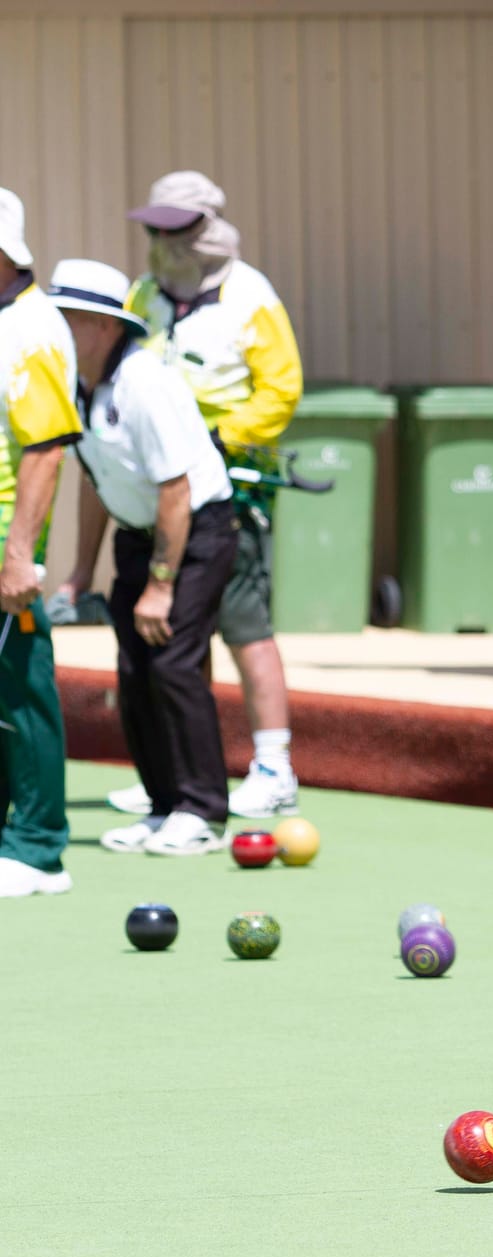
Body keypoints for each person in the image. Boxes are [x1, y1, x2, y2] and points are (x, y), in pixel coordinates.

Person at [106, 171, 304, 820]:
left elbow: (281, 389)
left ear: (208, 227)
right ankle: (171, 769)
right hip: (159, 486)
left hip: (230, 484)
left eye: (175, 227)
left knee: (244, 624)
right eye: (153, 228)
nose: (161, 240)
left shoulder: (250, 295)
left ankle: (273, 764)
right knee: (176, 635)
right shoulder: (143, 293)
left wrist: (219, 438)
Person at [47, 260, 236, 856]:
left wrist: (161, 585)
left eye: (69, 320)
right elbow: (95, 481)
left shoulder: (144, 383)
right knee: (133, 672)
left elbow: (176, 489)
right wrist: (81, 569)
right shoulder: (77, 383)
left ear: (103, 326)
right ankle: (163, 808)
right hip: (139, 533)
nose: (58, 332)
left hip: (196, 532)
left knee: (174, 664)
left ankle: (202, 811)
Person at [0, 188, 82, 899]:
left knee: (23, 688)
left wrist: (19, 554)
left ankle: (37, 848)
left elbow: (47, 448)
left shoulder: (30, 330)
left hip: (3, 541)